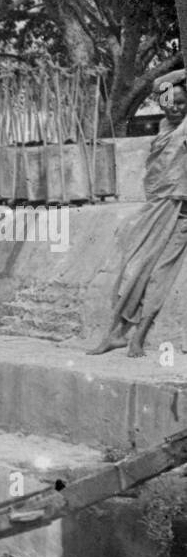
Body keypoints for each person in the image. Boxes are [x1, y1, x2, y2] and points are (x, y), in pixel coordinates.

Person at [89, 68, 187, 357]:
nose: (175, 109)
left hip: (178, 212)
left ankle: (137, 339)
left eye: (182, 103)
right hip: (156, 207)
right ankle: (116, 334)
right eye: (170, 104)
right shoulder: (165, 127)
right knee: (133, 267)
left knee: (159, 275)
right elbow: (158, 84)